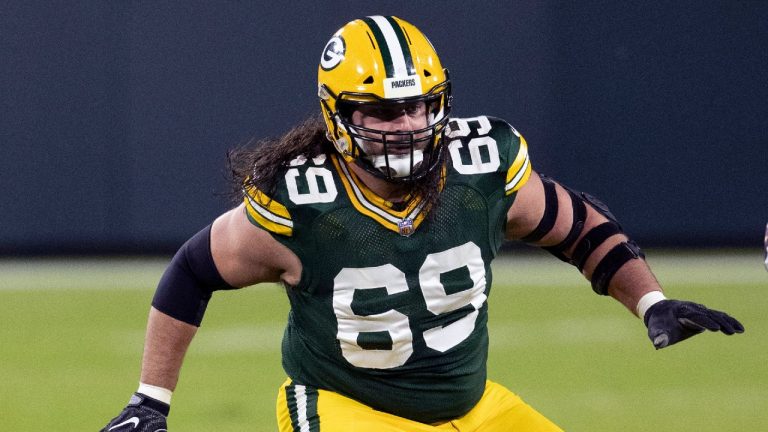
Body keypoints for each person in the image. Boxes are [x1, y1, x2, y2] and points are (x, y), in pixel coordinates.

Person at [101, 16, 744, 432]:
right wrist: (150, 401)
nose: (407, 124)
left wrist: (650, 301)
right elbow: (192, 271)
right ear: (338, 114)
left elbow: (577, 227)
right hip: (347, 411)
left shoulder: (480, 168)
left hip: (472, 408)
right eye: (383, 111)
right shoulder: (304, 202)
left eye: (418, 105)